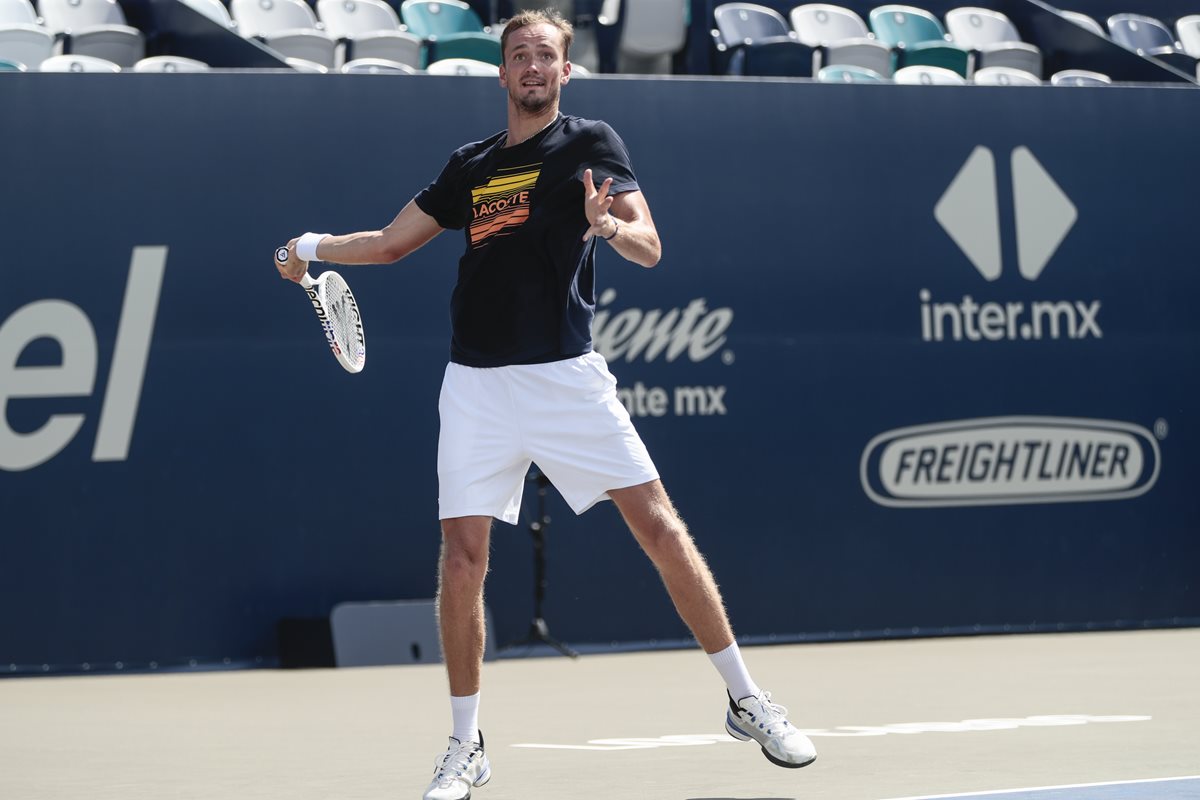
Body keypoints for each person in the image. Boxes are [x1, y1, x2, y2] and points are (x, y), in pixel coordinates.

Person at [273, 10, 816, 799]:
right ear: (502, 73)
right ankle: (466, 746)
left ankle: (745, 699)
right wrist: (308, 248)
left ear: (565, 71)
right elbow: (390, 243)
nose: (532, 66)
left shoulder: (592, 145)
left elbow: (649, 245)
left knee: (661, 529)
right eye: (519, 55)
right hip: (476, 388)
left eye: (546, 56)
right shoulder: (469, 166)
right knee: (462, 560)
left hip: (566, 380)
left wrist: (608, 228)